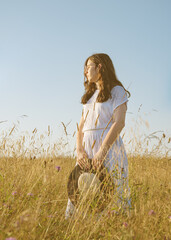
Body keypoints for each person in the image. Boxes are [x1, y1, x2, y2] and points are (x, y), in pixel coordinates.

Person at [65, 53, 131, 219]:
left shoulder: (116, 91)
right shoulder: (89, 95)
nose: (85, 71)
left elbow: (119, 122)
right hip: (86, 150)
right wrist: (79, 151)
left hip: (108, 149)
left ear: (100, 67)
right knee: (81, 193)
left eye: (88, 67)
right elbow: (80, 128)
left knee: (110, 193)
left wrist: (102, 151)